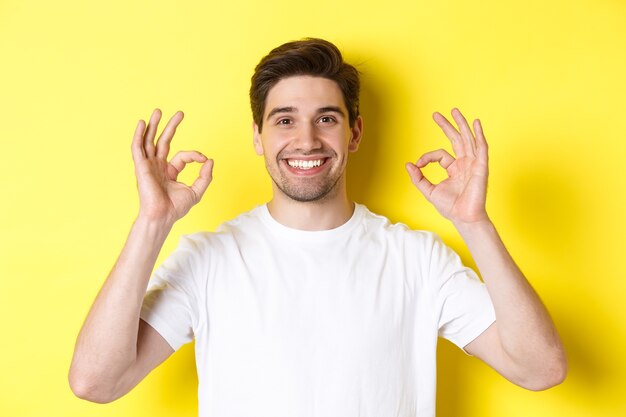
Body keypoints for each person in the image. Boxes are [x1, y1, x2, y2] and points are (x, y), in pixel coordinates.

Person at [69, 38, 567, 416]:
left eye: (326, 119)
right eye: (284, 120)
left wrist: (474, 223)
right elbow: (96, 382)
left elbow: (540, 369)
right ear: (258, 138)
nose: (306, 140)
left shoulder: (417, 258)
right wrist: (152, 223)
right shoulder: (209, 260)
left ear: (354, 133)